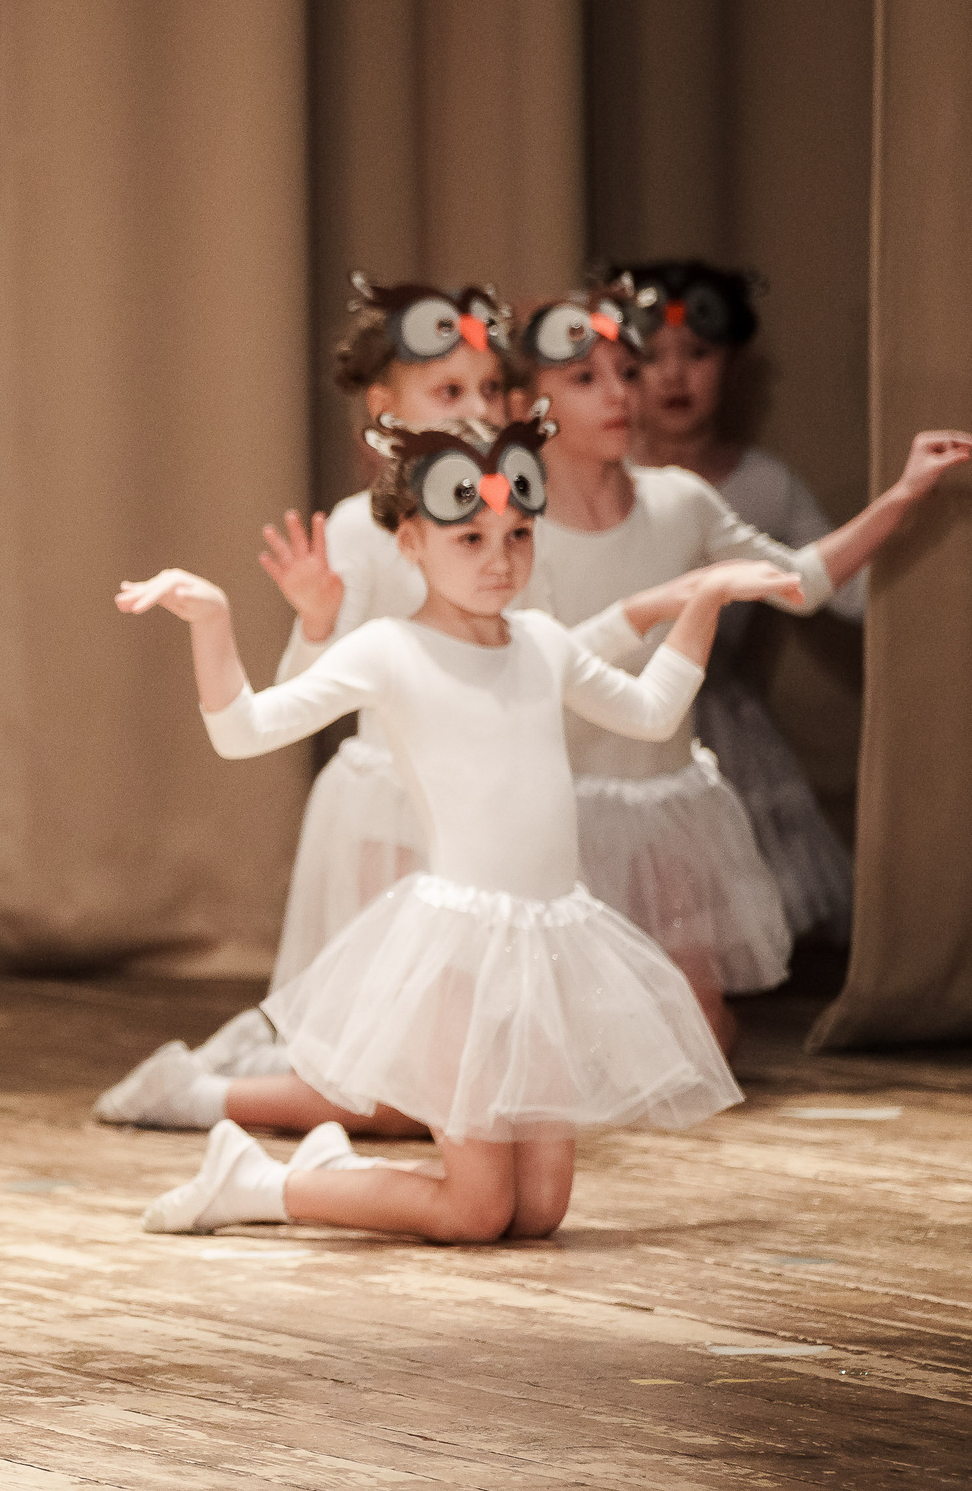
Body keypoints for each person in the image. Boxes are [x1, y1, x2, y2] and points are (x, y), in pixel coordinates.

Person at [120, 412, 773, 1244]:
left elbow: (651, 712)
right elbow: (242, 730)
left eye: (519, 534)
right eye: (469, 539)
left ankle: (318, 1171)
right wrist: (212, 621)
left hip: (549, 941)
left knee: (537, 1214)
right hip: (460, 953)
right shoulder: (390, 649)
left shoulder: (542, 642)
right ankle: (266, 1182)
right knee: (474, 1211)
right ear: (411, 544)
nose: (500, 560)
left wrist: (706, 597)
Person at [97, 275, 510, 1129]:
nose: (477, 409)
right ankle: (207, 1096)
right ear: (384, 412)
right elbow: (290, 701)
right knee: (397, 1079)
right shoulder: (361, 529)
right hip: (389, 811)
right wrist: (319, 621)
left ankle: (246, 1072)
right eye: (449, 390)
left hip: (478, 808)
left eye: (491, 389)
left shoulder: (509, 522)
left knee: (475, 1068)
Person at [518, 276, 971, 1053]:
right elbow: (533, 671)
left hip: (658, 802)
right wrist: (658, 604)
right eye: (585, 378)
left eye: (625, 371)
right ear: (530, 401)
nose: (621, 393)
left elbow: (800, 582)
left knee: (705, 1036)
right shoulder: (516, 524)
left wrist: (903, 494)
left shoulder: (681, 501)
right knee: (562, 1042)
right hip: (557, 806)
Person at [622, 259, 865, 943]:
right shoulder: (603, 479)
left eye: (696, 354)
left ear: (733, 362)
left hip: (718, 719)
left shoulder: (763, 484)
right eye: (648, 358)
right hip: (616, 705)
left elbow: (838, 587)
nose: (673, 376)